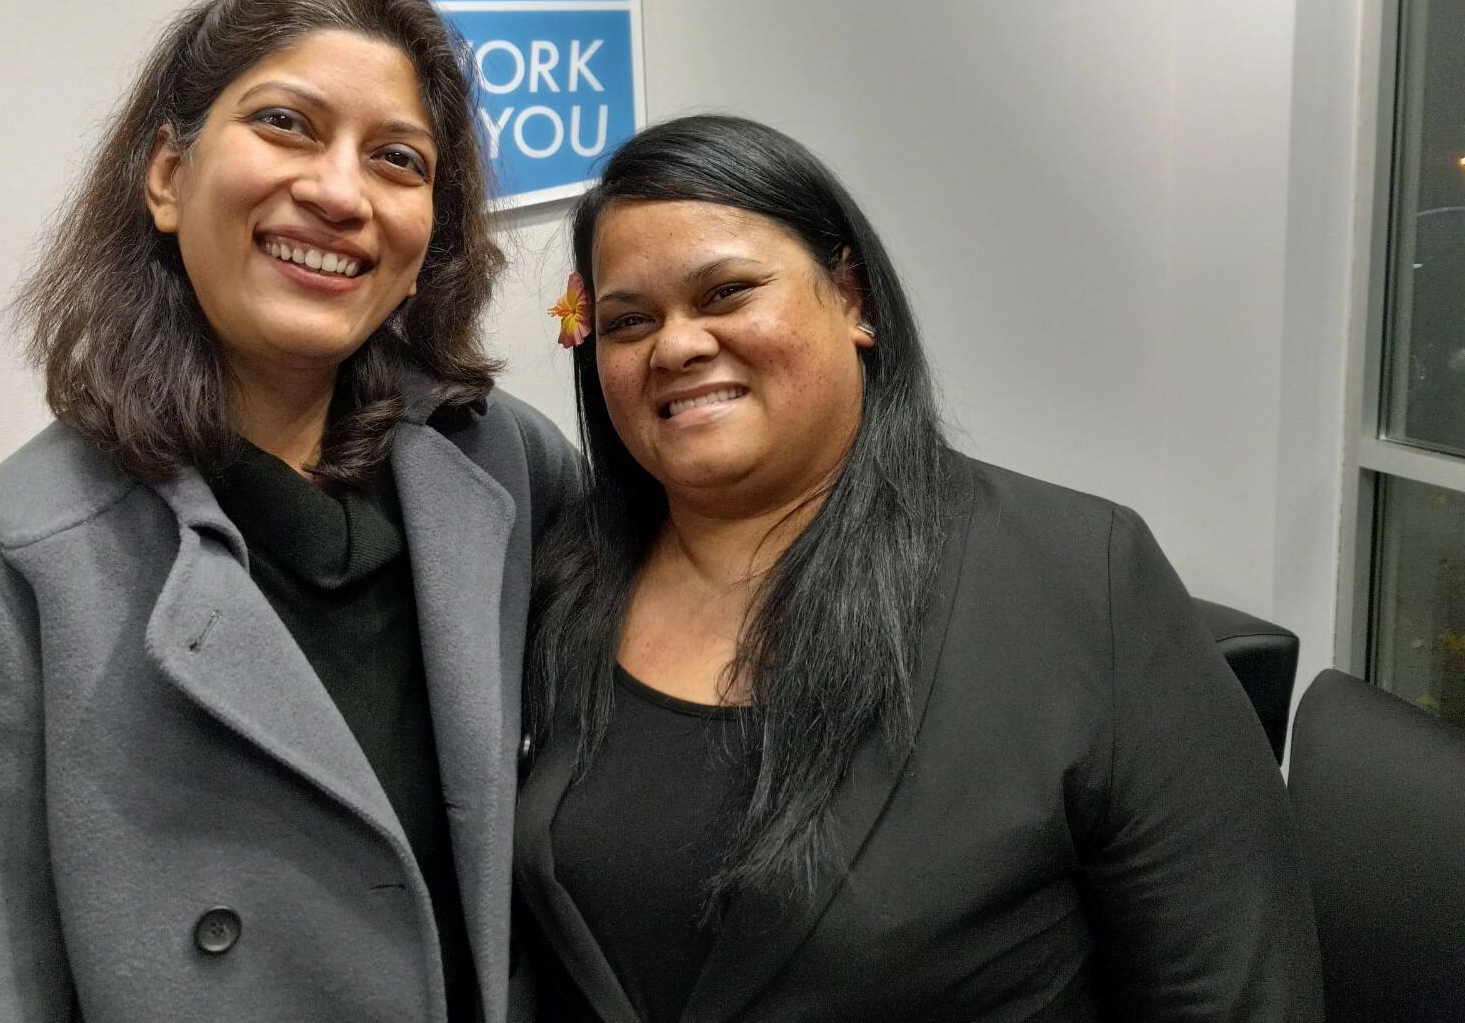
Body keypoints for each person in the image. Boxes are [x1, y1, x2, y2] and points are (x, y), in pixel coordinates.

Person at [0, 0, 577, 1023]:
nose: (340, 192)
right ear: (166, 174)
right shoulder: (5, 565)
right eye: (285, 123)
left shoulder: (503, 466)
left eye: (398, 159)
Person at [516, 114, 1324, 1022]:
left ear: (852, 297)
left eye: (727, 293)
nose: (676, 345)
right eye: (628, 321)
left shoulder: (1085, 581)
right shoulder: (563, 582)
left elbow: (1237, 992)